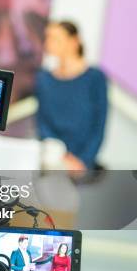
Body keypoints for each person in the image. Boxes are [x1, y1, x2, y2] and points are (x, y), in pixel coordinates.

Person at [36, 21, 107, 170]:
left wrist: (83, 160)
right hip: (52, 160)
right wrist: (57, 155)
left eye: (55, 38)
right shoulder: (44, 79)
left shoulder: (95, 78)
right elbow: (43, 123)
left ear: (74, 41)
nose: (49, 43)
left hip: (82, 163)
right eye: (47, 37)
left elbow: (98, 125)